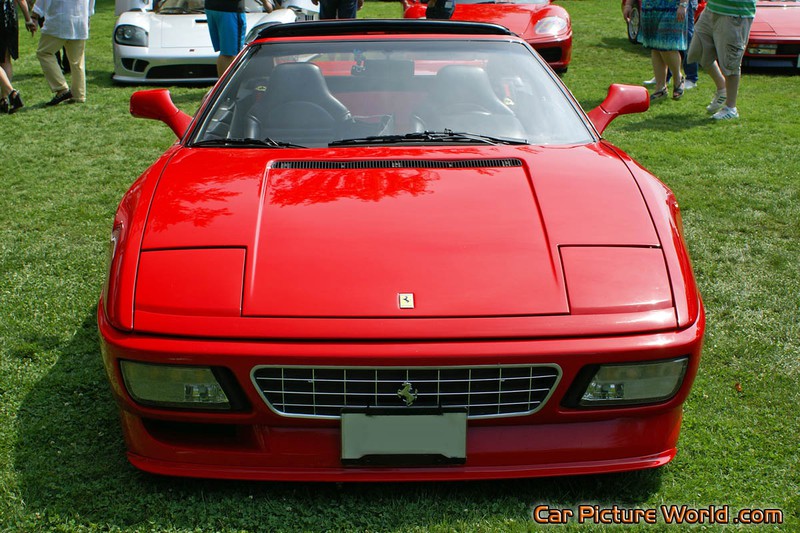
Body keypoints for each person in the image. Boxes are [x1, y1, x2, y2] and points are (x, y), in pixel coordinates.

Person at [687, 0, 756, 120]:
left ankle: (731, 108)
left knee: (730, 62)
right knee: (698, 51)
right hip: (711, 9)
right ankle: (722, 87)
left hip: (735, 14)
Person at [32, 0, 94, 106]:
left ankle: (61, 88)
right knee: (77, 60)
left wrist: (34, 15)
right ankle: (79, 95)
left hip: (60, 20)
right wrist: (88, 15)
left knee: (44, 52)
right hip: (80, 19)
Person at [624, 0, 688, 101]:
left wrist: (683, 4)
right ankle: (660, 88)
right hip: (650, 6)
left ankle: (678, 78)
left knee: (666, 43)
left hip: (672, 6)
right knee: (654, 45)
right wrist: (628, 4)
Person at [1, 0, 36, 112]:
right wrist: (28, 19)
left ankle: (12, 93)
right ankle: (3, 100)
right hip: (10, 15)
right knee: (6, 60)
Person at [204, 0, 246, 78]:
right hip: (229, 9)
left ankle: (222, 87)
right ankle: (228, 88)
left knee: (225, 53)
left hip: (212, 7)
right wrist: (266, 3)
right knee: (230, 54)